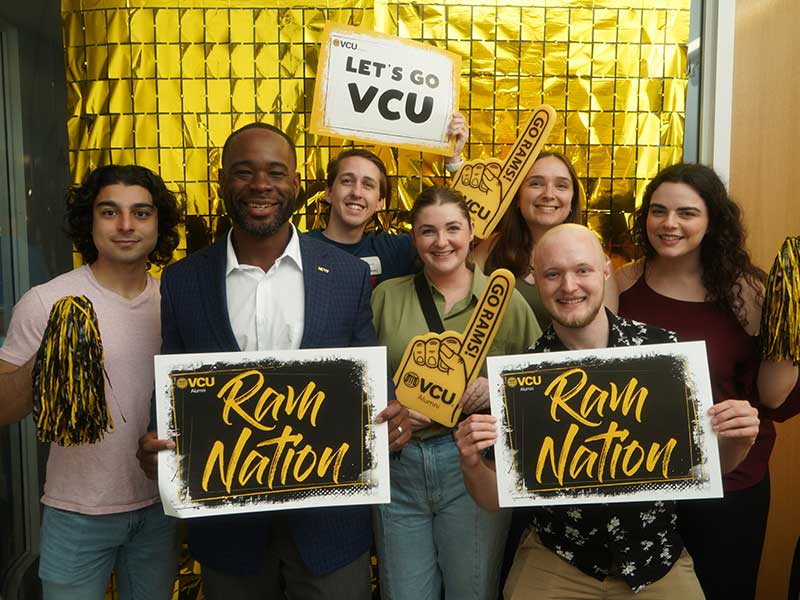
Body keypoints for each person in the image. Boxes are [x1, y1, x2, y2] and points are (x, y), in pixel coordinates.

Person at [136, 122, 411, 600]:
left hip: (329, 528)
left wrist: (391, 419)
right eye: (244, 173)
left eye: (275, 172)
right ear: (222, 181)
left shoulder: (346, 275)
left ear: (297, 184)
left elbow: (368, 372)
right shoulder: (182, 281)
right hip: (229, 531)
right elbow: (172, 383)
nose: (260, 185)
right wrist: (156, 447)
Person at [456, 223, 759, 599]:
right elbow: (492, 499)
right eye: (553, 274)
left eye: (582, 270)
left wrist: (740, 439)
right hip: (559, 556)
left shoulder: (663, 353)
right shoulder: (522, 376)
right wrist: (471, 463)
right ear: (536, 280)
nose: (569, 287)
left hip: (654, 556)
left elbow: (716, 463)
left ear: (604, 270)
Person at [0, 164, 182, 599]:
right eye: (109, 212)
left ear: (159, 224)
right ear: (90, 221)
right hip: (76, 513)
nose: (125, 225)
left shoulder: (175, 302)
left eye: (141, 213)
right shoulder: (46, 301)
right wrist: (51, 358)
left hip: (160, 510)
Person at [370, 186, 542, 600]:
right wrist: (392, 406)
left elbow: (536, 385)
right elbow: (363, 381)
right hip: (399, 467)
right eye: (428, 231)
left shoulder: (507, 303)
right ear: (413, 238)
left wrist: (496, 389)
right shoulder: (385, 297)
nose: (441, 241)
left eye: (452, 228)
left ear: (471, 233)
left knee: (472, 590)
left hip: (472, 465)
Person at [615, 163, 777, 599]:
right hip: (645, 483)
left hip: (730, 485)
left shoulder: (748, 292)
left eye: (687, 213)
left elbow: (775, 399)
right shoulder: (622, 283)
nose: (669, 224)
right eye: (658, 211)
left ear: (712, 221)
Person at [307, 114, 468, 286]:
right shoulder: (299, 249)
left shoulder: (395, 251)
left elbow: (471, 233)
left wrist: (454, 160)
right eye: (347, 181)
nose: (356, 192)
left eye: (368, 185)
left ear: (380, 202)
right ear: (328, 192)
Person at [474, 151, 619, 328]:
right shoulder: (491, 247)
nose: (548, 194)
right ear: (518, 198)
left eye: (561, 186)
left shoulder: (595, 259)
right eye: (536, 184)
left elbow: (604, 339)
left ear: (572, 200)